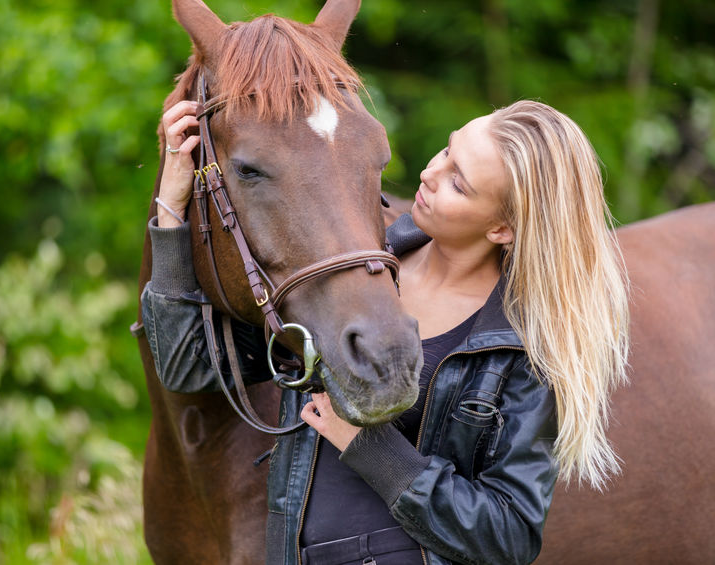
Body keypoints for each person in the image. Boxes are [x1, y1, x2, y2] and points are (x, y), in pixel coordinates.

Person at [142, 98, 629, 564]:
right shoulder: (354, 268)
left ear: (502, 227)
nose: (429, 174)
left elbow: (509, 533)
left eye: (459, 184)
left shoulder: (518, 347)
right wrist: (171, 207)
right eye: (446, 150)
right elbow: (190, 366)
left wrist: (369, 447)